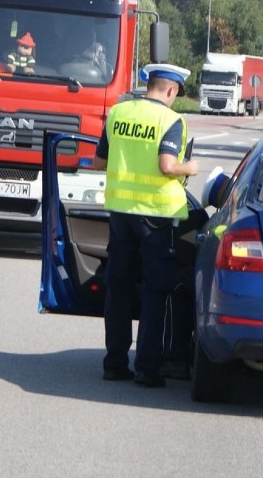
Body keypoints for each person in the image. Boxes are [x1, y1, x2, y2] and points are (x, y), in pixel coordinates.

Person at [92, 63, 199, 388]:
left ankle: (114, 363)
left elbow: (99, 161)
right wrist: (190, 168)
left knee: (119, 287)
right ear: (171, 90)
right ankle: (147, 368)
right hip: (156, 216)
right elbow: (167, 165)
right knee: (155, 290)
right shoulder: (172, 120)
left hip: (120, 213)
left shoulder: (118, 113)